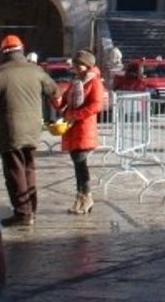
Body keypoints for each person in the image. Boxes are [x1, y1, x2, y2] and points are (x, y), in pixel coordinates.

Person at [0, 34, 57, 228]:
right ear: (21, 50)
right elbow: (54, 91)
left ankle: (23, 213)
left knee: (15, 170)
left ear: (3, 52)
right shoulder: (36, 70)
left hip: (9, 128)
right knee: (29, 167)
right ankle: (32, 208)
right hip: (32, 128)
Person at [54, 49, 105, 215]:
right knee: (78, 163)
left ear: (87, 65)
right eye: (75, 65)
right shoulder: (78, 81)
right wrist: (55, 96)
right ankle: (82, 197)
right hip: (73, 128)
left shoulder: (94, 82)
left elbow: (96, 105)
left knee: (80, 163)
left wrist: (75, 115)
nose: (75, 68)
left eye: (78, 65)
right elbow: (63, 103)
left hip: (83, 128)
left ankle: (85, 197)